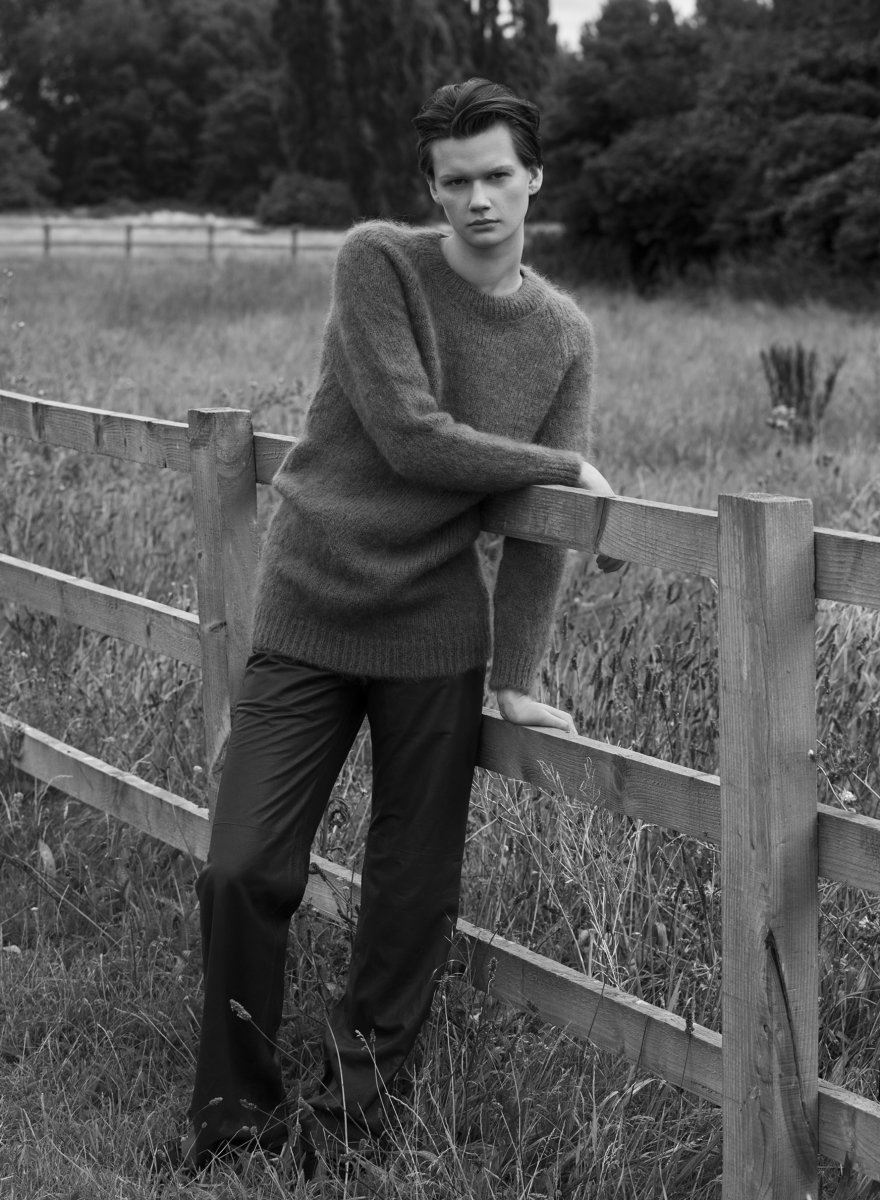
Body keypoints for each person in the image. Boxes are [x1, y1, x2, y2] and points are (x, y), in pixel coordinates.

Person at [168, 76, 615, 1176]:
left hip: (434, 637)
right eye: (456, 182)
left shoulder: (564, 335)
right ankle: (233, 1117)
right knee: (242, 869)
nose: (477, 200)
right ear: (432, 188)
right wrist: (564, 463)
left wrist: (515, 678)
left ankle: (348, 1127)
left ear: (534, 178)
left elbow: (535, 528)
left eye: (496, 176)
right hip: (311, 610)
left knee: (411, 897)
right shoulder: (378, 262)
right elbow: (414, 437)